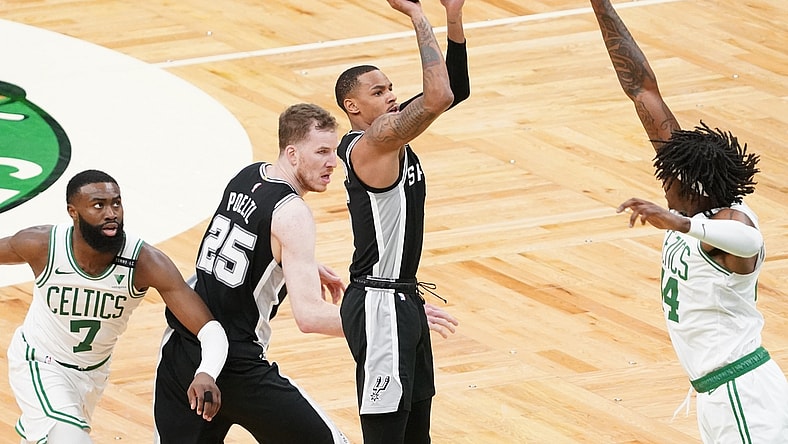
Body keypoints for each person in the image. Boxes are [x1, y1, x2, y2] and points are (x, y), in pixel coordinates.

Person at [590, 1, 788, 442]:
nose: (664, 183)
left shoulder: (730, 222)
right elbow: (642, 89)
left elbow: (749, 243)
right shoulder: (692, 197)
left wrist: (679, 224)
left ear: (694, 189)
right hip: (714, 394)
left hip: (745, 393)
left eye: (671, 180)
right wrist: (600, 5)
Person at [153, 103, 350, 443]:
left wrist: (297, 265)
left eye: (334, 151)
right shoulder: (293, 213)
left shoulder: (248, 175)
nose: (333, 162)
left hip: (183, 350)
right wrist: (388, 323)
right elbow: (310, 317)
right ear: (292, 153)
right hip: (236, 362)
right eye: (322, 151)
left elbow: (237, 245)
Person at [1, 169, 228, 444]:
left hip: (92, 375)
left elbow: (210, 329)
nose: (111, 213)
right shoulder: (43, 245)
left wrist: (207, 372)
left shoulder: (145, 262)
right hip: (40, 362)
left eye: (116, 203)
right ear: (73, 212)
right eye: (98, 205)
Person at [333, 0, 467, 442]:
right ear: (352, 106)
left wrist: (452, 16)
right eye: (378, 92)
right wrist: (417, 15)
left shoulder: (391, 132)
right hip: (378, 303)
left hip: (403, 298)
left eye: (391, 88)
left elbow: (454, 89)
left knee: (416, 434)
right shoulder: (371, 143)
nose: (391, 96)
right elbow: (438, 97)